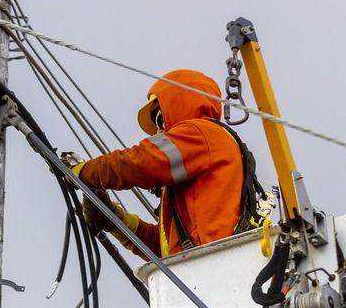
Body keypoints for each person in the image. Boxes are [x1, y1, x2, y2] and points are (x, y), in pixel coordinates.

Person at [72, 69, 254, 258]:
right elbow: (167, 252)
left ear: (180, 104)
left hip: (209, 264)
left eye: (160, 119)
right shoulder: (199, 161)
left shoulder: (201, 133)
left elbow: (141, 162)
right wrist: (115, 219)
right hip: (203, 270)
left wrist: (85, 172)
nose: (158, 132)